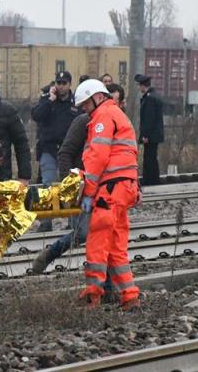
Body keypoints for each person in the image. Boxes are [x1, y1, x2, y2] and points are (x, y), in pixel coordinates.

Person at [31, 82, 128, 274]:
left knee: (107, 236)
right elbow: (65, 153)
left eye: (117, 102)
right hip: (84, 187)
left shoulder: (120, 123)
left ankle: (107, 288)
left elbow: (125, 158)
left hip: (108, 190)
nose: (112, 106)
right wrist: (71, 185)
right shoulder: (83, 122)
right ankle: (50, 253)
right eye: (111, 100)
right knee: (82, 233)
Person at [74, 79, 141, 310]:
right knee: (116, 244)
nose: (84, 109)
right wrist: (135, 185)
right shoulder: (119, 114)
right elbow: (129, 154)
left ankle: (93, 293)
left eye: (85, 104)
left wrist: (89, 192)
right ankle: (130, 295)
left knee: (97, 239)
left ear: (97, 97)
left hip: (110, 190)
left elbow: (98, 157)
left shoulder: (102, 117)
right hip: (124, 188)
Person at [31, 70, 81, 231]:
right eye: (58, 83)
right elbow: (36, 115)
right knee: (48, 184)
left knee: (71, 185)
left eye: (64, 83)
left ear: (69, 84)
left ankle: (73, 222)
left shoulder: (76, 102)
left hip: (70, 150)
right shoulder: (47, 99)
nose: (60, 86)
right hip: (49, 149)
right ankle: (46, 222)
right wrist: (50, 100)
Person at [135, 73, 164, 186]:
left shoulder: (150, 98)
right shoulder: (153, 95)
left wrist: (145, 135)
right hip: (155, 134)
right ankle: (151, 179)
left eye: (139, 85)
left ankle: (151, 180)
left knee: (149, 157)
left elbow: (149, 119)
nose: (139, 88)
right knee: (151, 156)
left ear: (143, 86)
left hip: (151, 135)